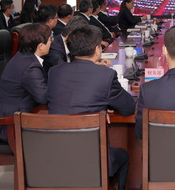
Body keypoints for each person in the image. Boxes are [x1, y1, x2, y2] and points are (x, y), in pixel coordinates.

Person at [47, 25, 134, 190]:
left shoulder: (54, 72)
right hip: (93, 161)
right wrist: (104, 105)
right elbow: (128, 108)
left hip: (55, 157)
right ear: (97, 50)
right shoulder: (105, 75)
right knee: (123, 156)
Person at [0, 23, 50, 142]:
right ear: (40, 46)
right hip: (10, 126)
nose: (52, 42)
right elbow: (43, 98)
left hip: (12, 116)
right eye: (50, 40)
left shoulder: (22, 57)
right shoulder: (30, 67)